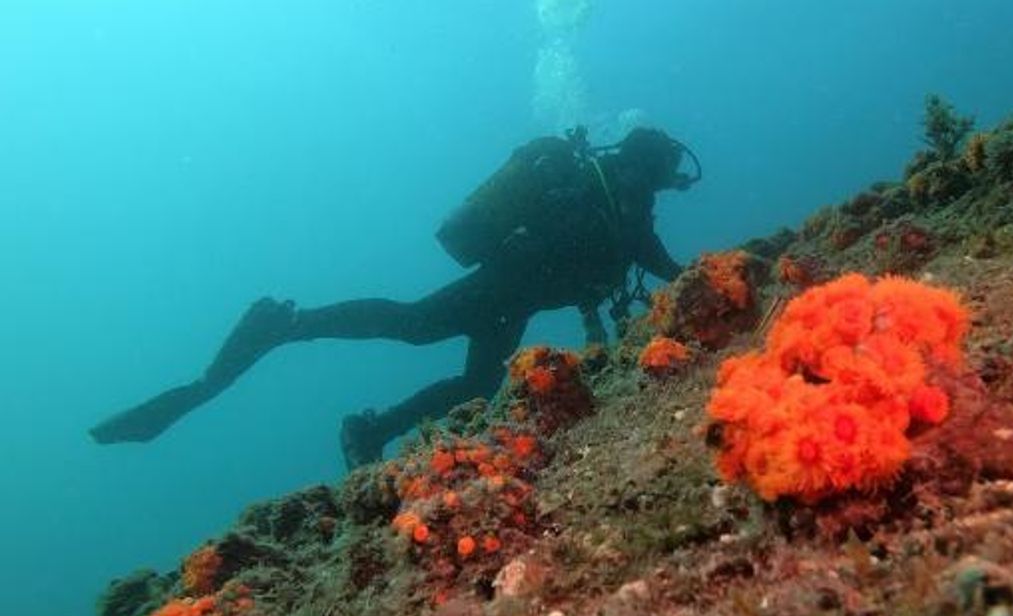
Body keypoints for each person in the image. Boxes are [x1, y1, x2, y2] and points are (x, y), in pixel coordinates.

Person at [89, 127, 699, 469]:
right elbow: (653, 259)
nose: (672, 179)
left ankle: (370, 429)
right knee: (414, 325)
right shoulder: (620, 194)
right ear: (648, 161)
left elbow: (640, 258)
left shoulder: (618, 198)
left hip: (514, 298)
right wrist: (694, 281)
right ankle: (290, 328)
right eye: (670, 166)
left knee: (472, 382)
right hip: (508, 287)